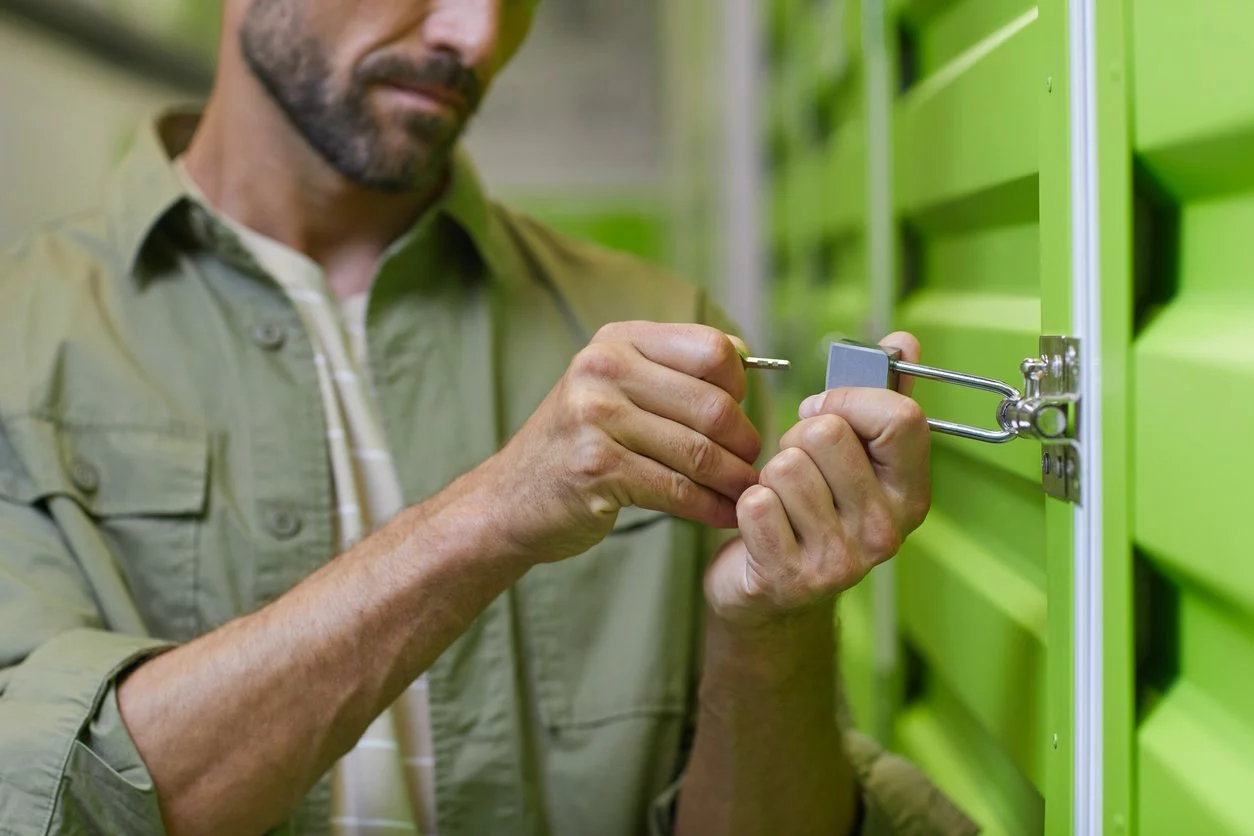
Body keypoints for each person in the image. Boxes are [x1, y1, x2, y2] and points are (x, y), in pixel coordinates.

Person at [0, 2, 977, 835]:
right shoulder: (18, 345)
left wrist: (771, 632)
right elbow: (43, 799)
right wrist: (495, 513)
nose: (474, 36)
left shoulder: (673, 335)